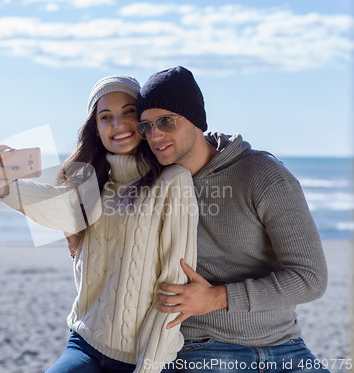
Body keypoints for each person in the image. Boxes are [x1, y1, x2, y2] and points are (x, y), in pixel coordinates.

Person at [0, 75, 198, 373]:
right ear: (95, 129)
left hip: (144, 357)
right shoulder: (90, 185)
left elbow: (175, 289)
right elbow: (46, 204)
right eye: (105, 117)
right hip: (85, 344)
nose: (118, 125)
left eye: (128, 112)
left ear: (144, 121)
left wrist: (147, 369)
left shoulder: (174, 181)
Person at [133, 66, 329, 373]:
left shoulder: (262, 175)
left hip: (286, 346)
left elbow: (310, 278)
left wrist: (215, 297)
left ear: (196, 121)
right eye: (146, 127)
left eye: (166, 121)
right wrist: (73, 228)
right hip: (205, 348)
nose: (155, 135)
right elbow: (94, 183)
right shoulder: (155, 183)